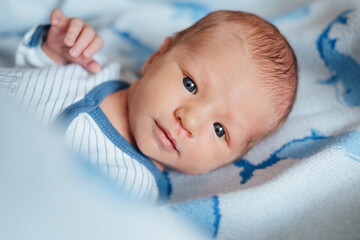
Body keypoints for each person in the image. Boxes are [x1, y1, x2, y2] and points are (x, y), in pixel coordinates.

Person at [1, 8, 297, 202]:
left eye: (220, 130)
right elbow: (25, 67)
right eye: (190, 84)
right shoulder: (92, 65)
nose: (190, 121)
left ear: (228, 162)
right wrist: (54, 49)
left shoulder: (129, 189)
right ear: (156, 57)